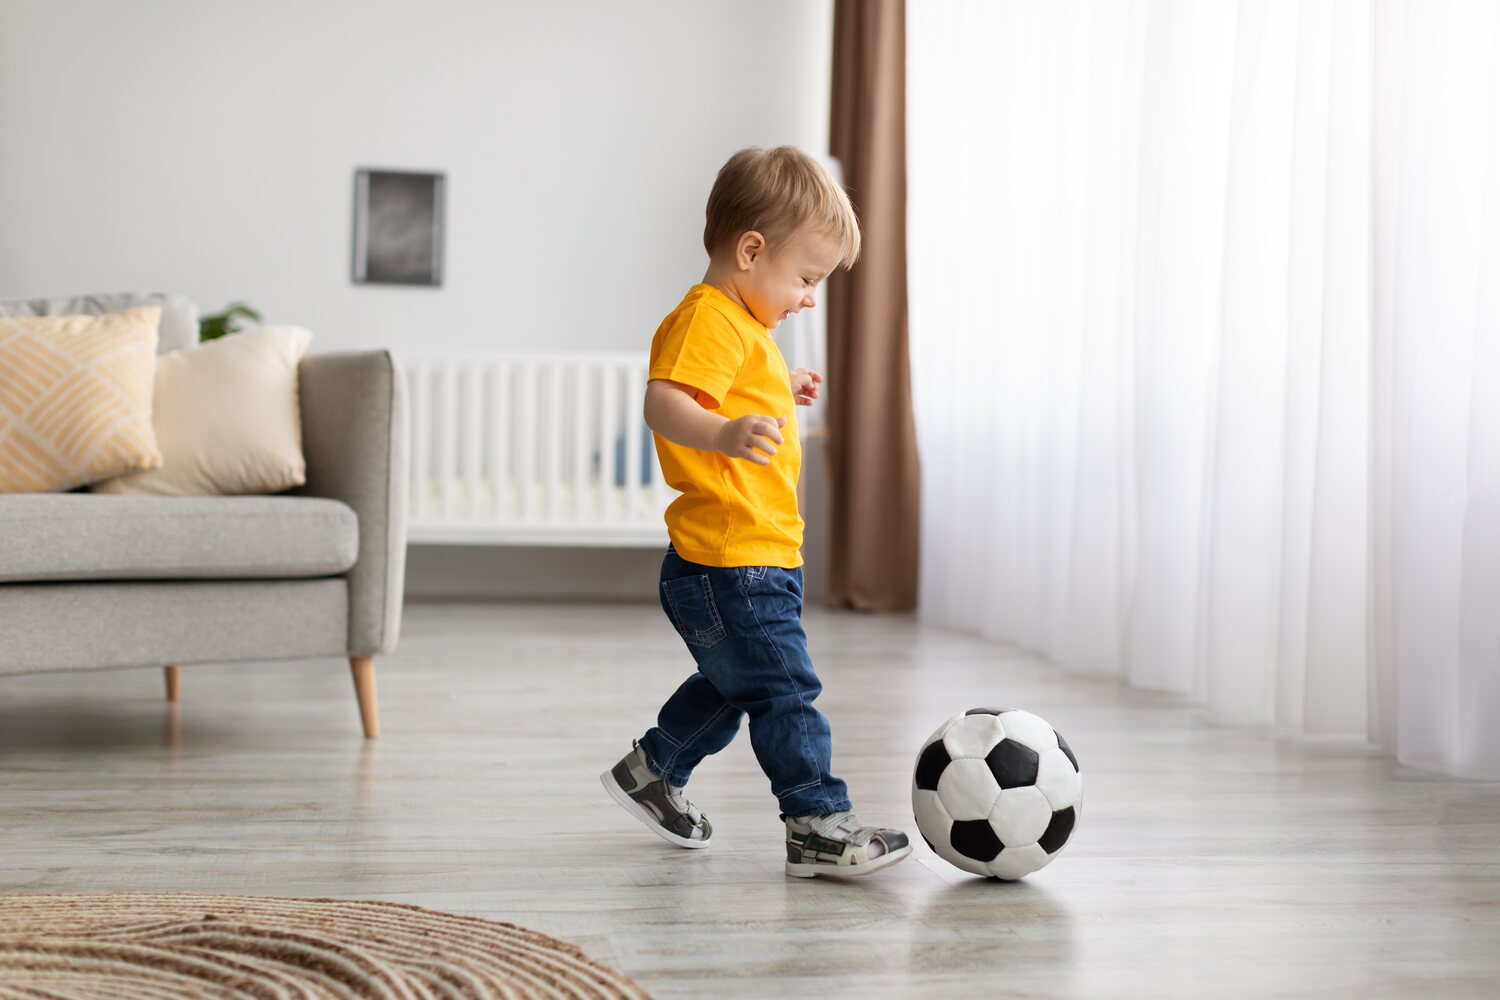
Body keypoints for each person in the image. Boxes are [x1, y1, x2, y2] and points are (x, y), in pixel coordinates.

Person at [600, 146, 911, 878]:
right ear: (750, 250)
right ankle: (816, 823)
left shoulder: (747, 332)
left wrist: (781, 388)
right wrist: (723, 431)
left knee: (738, 684)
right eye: (806, 278)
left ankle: (653, 769)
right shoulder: (707, 318)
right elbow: (664, 401)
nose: (810, 297)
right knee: (786, 689)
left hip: (754, 556)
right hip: (731, 562)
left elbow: (738, 385)